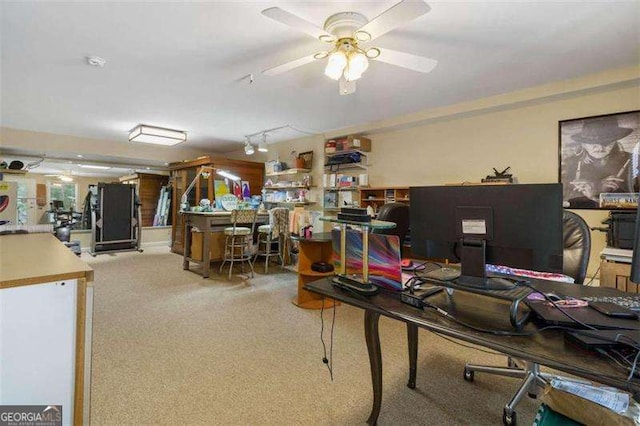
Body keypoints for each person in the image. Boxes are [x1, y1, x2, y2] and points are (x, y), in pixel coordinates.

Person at [564, 115, 634, 208]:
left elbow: (635, 202)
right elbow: (563, 202)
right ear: (583, 143)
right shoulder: (569, 163)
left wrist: (597, 196)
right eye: (592, 142)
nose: (600, 148)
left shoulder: (633, 161)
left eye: (607, 142)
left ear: (615, 141)